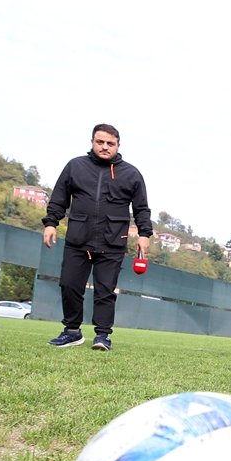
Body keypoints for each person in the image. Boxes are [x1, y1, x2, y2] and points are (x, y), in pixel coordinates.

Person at [42, 123, 152, 352]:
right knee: (69, 285)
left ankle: (102, 336)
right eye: (100, 142)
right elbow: (60, 197)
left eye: (110, 143)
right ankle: (72, 332)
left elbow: (141, 208)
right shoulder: (75, 166)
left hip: (112, 242)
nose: (104, 147)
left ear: (118, 146)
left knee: (105, 292)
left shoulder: (132, 174)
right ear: (92, 142)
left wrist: (144, 234)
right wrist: (51, 223)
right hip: (78, 239)